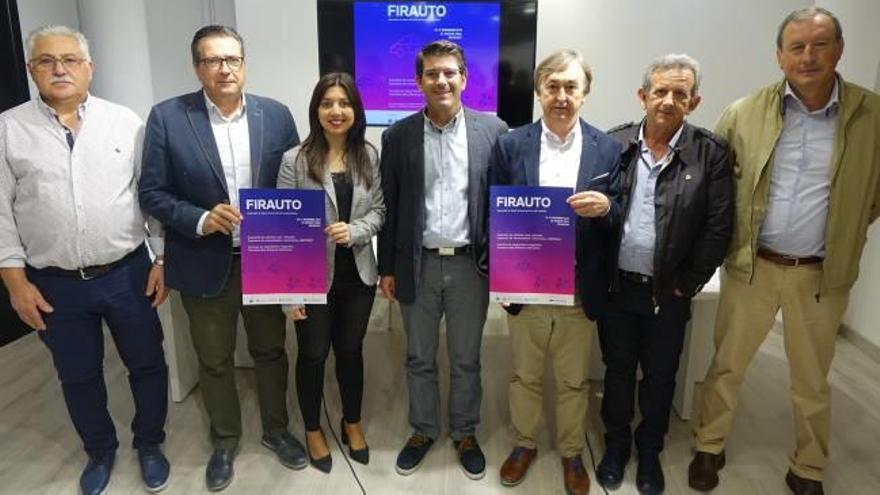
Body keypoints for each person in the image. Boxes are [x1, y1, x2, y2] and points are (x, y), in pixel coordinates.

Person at [688, 8, 880, 495]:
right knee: (727, 365)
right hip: (752, 267)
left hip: (821, 275)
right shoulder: (743, 112)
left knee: (812, 379)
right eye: (796, 47)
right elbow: (714, 186)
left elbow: (873, 195)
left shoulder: (871, 116)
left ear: (839, 49)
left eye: (820, 45)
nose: (808, 56)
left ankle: (809, 467)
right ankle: (709, 447)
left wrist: (846, 232)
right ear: (780, 56)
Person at [0, 25, 170, 494]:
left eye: (70, 59)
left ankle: (150, 442)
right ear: (31, 69)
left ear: (89, 68)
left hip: (127, 271)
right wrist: (16, 284)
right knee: (78, 374)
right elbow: (0, 214)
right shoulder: (8, 130)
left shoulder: (126, 123)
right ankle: (100, 450)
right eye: (47, 61)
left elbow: (148, 196)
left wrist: (161, 259)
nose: (59, 69)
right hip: (54, 283)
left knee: (148, 363)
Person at [138, 25, 305, 491]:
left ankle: (276, 430)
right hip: (202, 258)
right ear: (197, 68)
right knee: (213, 360)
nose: (224, 68)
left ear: (244, 63)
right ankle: (225, 441)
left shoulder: (276, 115)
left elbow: (293, 188)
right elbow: (151, 190)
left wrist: (297, 269)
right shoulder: (168, 117)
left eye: (232, 59)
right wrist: (198, 218)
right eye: (213, 60)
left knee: (271, 351)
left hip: (267, 260)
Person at [597, 54, 732, 495]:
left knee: (660, 376)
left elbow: (717, 227)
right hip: (619, 287)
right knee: (617, 372)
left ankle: (649, 449)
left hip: (668, 293)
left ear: (694, 101)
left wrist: (686, 283)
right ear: (643, 96)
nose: (669, 100)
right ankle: (616, 445)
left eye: (680, 93)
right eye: (660, 91)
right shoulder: (612, 144)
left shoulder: (710, 153)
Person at [490, 49, 621, 495]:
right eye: (553, 86)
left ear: (585, 93)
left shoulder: (608, 147)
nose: (561, 95)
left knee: (572, 379)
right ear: (538, 91)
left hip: (579, 286)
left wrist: (606, 207)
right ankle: (524, 444)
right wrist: (500, 276)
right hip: (526, 283)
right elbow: (495, 211)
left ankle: (570, 451)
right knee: (524, 374)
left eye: (571, 87)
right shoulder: (511, 144)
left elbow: (621, 210)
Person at [377, 39, 508, 480]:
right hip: (419, 264)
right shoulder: (397, 136)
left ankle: (465, 432)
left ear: (464, 78)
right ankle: (424, 429)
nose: (442, 80)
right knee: (418, 356)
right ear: (418, 82)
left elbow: (502, 205)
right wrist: (387, 268)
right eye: (432, 73)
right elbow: (390, 206)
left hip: (471, 265)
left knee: (467, 357)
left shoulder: (494, 131)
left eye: (450, 72)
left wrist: (508, 269)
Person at [276, 72, 385, 473]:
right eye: (327, 103)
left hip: (357, 275)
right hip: (310, 280)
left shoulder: (369, 155)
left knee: (351, 351)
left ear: (356, 110)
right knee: (313, 352)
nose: (336, 111)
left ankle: (351, 421)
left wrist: (355, 230)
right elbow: (283, 227)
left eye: (344, 103)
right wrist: (288, 294)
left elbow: (380, 211)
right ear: (316, 110)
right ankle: (312, 428)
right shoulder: (295, 160)